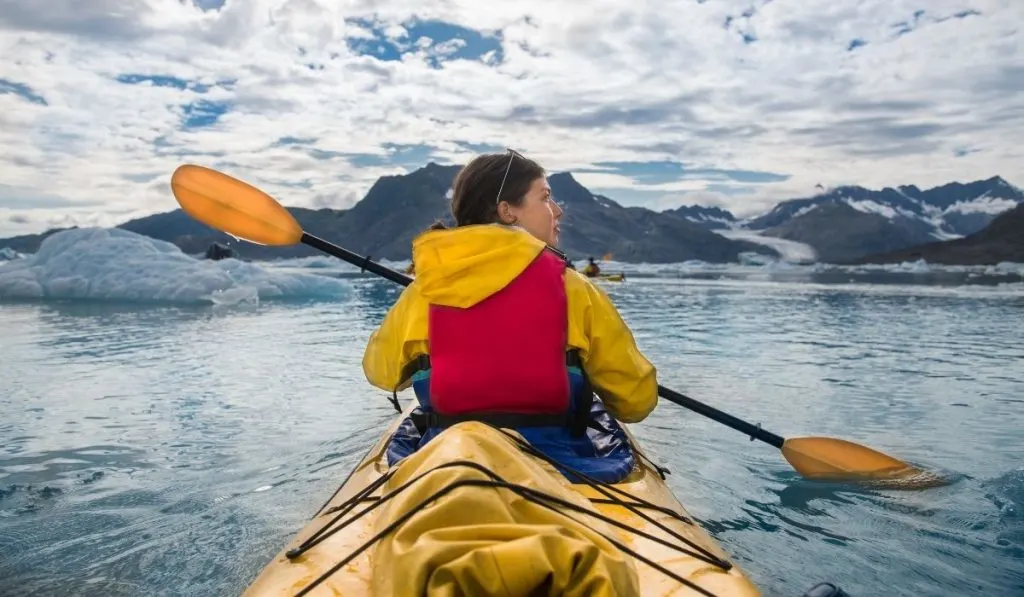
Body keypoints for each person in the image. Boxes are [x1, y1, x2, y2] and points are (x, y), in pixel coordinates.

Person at [361, 150, 658, 483]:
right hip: (561, 465)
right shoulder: (574, 289)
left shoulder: (424, 292)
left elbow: (381, 373)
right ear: (507, 211)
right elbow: (636, 401)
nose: (557, 210)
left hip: (448, 461)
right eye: (545, 197)